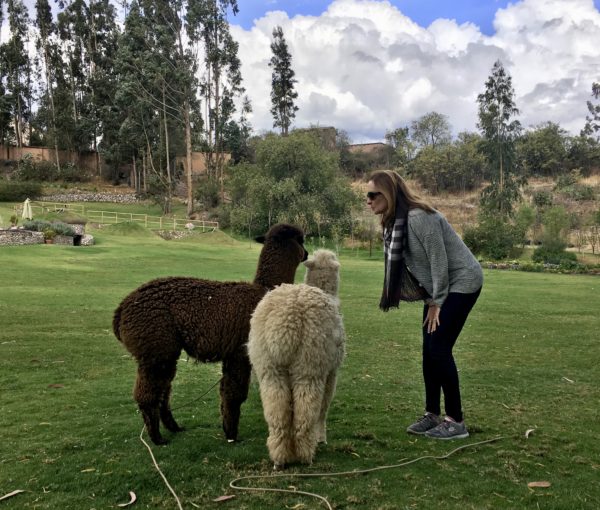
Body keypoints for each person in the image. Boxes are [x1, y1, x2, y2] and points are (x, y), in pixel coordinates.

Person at [366, 170, 483, 440]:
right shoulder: (394, 222)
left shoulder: (419, 218)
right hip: (438, 290)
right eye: (367, 196)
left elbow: (438, 261)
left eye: (374, 195)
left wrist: (437, 302)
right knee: (428, 350)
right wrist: (432, 299)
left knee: (439, 348)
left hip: (462, 281)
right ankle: (432, 414)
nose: (369, 200)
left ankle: (456, 421)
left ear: (389, 194)